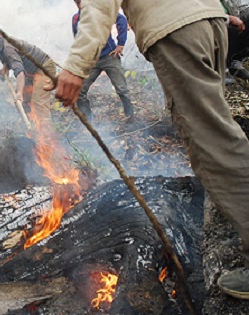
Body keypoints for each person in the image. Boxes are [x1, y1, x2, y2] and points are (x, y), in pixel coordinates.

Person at [52, 0, 249, 300]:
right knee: (223, 134)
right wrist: (218, 12)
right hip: (208, 24)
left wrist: (76, 67)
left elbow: (100, 5)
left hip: (179, 32)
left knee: (214, 148)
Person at [0, 22, 56, 135]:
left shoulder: (8, 47)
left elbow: (19, 72)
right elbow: (7, 60)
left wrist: (19, 92)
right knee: (23, 103)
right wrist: (5, 67)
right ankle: (34, 131)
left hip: (43, 68)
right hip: (31, 73)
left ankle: (48, 139)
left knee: (39, 105)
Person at [72, 0, 133, 121]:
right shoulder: (76, 18)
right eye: (77, 2)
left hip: (110, 57)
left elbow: (121, 20)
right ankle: (88, 121)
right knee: (79, 92)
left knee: (122, 90)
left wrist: (120, 43)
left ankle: (130, 116)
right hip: (91, 61)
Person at [221, 0, 249, 81]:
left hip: (232, 17)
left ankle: (235, 60)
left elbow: (243, 5)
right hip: (213, 22)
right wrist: (228, 18)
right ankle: (222, 68)